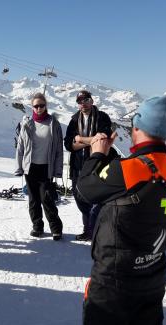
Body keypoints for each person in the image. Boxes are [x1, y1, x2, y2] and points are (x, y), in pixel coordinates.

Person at [76, 95, 166, 325]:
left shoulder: (128, 169)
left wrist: (98, 154)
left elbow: (85, 190)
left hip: (114, 281)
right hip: (152, 277)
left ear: (137, 127)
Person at [64, 90, 112, 241]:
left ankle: (96, 231)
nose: (83, 104)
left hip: (98, 164)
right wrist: (90, 140)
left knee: (97, 200)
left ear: (92, 101)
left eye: (86, 100)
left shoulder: (102, 117)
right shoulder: (73, 120)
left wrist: (80, 139)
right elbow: (68, 144)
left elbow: (103, 139)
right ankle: (89, 229)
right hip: (78, 166)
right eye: (80, 101)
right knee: (80, 198)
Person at [15, 92, 63, 240]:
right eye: (36, 106)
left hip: (46, 168)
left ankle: (56, 228)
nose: (39, 108)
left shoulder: (53, 124)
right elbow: (20, 147)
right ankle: (37, 227)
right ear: (32, 107)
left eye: (42, 105)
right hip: (31, 167)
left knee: (47, 199)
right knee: (33, 200)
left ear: (46, 106)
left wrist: (58, 170)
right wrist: (19, 167)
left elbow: (59, 149)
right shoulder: (27, 124)